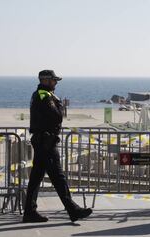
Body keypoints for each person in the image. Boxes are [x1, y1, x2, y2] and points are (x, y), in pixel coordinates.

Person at [23, 70, 92, 223]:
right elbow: (57, 116)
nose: (56, 83)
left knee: (36, 178)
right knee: (58, 178)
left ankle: (29, 212)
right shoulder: (44, 95)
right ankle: (73, 210)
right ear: (46, 80)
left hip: (43, 141)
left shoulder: (43, 94)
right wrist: (60, 105)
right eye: (54, 80)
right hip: (46, 143)